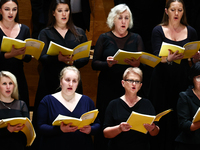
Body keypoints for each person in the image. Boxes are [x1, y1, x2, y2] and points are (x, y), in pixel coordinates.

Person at [91, 4, 145, 150]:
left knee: (127, 119)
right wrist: (106, 64)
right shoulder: (104, 38)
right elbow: (94, 64)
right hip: (108, 86)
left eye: (126, 18)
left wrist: (137, 64)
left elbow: (143, 63)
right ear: (113, 20)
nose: (123, 21)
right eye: (120, 18)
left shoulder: (136, 38)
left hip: (129, 88)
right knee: (106, 119)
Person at [148, 0, 200, 149]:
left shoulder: (191, 31)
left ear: (184, 11)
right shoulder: (158, 30)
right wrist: (167, 59)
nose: (176, 13)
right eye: (173, 10)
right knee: (162, 114)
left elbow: (192, 56)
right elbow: (156, 56)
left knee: (181, 113)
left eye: (180, 10)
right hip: (161, 78)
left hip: (182, 77)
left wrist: (196, 58)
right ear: (166, 11)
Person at [33, 0, 89, 126]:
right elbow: (41, 57)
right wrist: (57, 59)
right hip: (50, 79)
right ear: (53, 13)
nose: (64, 14)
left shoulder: (79, 33)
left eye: (66, 10)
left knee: (73, 115)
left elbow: (85, 58)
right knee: (48, 117)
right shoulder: (45, 32)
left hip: (71, 80)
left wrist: (73, 61)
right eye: (60, 11)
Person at [37, 66, 100, 150]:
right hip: (54, 145)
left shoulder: (87, 101)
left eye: (74, 81)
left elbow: (97, 124)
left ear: (78, 83)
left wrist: (90, 129)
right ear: (61, 81)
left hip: (82, 145)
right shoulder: (47, 101)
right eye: (67, 80)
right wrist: (59, 129)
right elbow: (40, 127)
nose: (71, 84)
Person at [103, 67, 159, 150]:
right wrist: (119, 128)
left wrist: (153, 128)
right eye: (130, 80)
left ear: (140, 85)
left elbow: (155, 133)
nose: (134, 84)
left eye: (137, 81)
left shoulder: (147, 104)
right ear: (123, 83)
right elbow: (106, 133)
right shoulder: (114, 104)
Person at [0, 0, 31, 108]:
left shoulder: (24, 29)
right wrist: (9, 54)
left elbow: (28, 58)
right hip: (1, 74)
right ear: (0, 11)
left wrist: (21, 54)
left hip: (18, 75)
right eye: (7, 9)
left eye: (14, 9)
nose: (11, 13)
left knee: (21, 106)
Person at [0, 71, 29, 150]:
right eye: (4, 84)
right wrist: (8, 130)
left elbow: (27, 132)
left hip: (17, 145)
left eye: (10, 83)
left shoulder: (21, 104)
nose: (8, 87)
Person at [175, 62, 200, 149]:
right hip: (188, 144)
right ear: (192, 79)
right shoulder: (184, 96)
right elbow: (184, 125)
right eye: (198, 78)